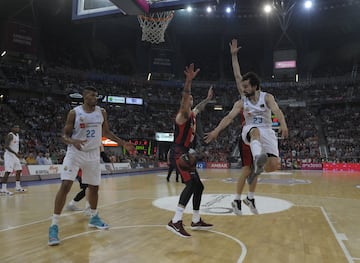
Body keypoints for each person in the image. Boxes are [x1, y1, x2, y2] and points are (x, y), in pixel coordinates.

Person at [48, 86, 136, 246]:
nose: (94, 97)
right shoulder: (74, 113)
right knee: (66, 185)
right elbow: (64, 135)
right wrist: (72, 141)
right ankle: (53, 225)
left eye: (96, 95)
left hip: (93, 154)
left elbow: (107, 133)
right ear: (84, 97)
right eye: (91, 95)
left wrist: (123, 144)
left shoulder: (101, 112)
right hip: (75, 152)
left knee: (94, 188)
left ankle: (94, 217)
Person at [204, 62, 289, 213]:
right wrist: (216, 131)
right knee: (254, 131)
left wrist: (283, 124)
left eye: (247, 87)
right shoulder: (242, 102)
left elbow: (277, 110)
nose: (244, 89)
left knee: (274, 165)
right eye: (243, 87)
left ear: (255, 86)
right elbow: (229, 117)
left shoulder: (267, 97)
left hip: (268, 131)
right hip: (249, 130)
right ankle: (257, 160)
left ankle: (253, 184)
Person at [166, 63, 214, 238]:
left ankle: (195, 220)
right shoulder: (182, 115)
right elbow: (185, 99)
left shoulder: (192, 114)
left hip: (186, 152)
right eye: (188, 100)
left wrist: (208, 99)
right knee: (191, 184)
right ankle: (176, 220)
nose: (190, 101)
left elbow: (198, 107)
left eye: (192, 99)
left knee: (199, 186)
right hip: (179, 153)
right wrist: (188, 82)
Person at [229, 39, 258, 215]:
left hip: (258, 137)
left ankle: (250, 198)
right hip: (247, 137)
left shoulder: (262, 98)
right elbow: (237, 75)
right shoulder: (245, 97)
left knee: (256, 169)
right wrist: (234, 56)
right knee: (247, 169)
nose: (245, 87)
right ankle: (237, 200)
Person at [66, 145, 111, 214]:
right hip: (83, 167)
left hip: (83, 167)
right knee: (88, 187)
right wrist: (104, 156)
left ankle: (72, 204)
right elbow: (100, 149)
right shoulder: (90, 141)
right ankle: (87, 208)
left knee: (85, 189)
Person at [1, 124, 26, 195]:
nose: (18, 128)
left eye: (18, 127)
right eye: (16, 127)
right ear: (12, 128)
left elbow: (16, 145)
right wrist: (15, 153)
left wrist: (18, 151)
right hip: (9, 156)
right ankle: (3, 189)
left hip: (15, 156)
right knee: (8, 172)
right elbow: (6, 146)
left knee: (19, 170)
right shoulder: (10, 135)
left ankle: (17, 187)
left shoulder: (17, 135)